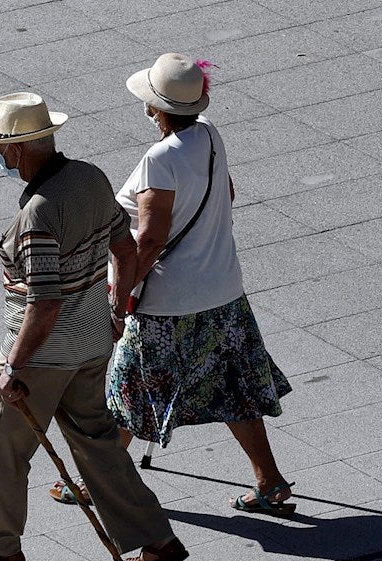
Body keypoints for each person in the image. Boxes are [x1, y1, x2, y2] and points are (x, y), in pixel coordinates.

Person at [0, 92, 187, 561]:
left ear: (17, 150)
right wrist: (114, 310)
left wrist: (14, 366)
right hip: (93, 343)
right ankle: (155, 538)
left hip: (43, 355)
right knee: (97, 443)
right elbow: (123, 247)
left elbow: (44, 300)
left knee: (1, 448)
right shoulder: (91, 178)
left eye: (0, 147)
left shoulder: (36, 215)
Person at [48, 53, 295, 516]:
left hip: (167, 302)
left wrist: (120, 298)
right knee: (233, 387)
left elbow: (151, 239)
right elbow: (227, 193)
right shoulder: (210, 136)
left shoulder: (159, 159)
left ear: (153, 109)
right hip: (222, 290)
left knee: (128, 392)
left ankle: (93, 480)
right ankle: (271, 482)